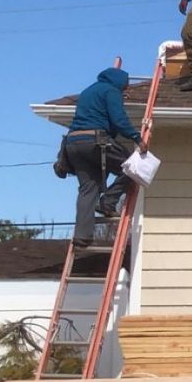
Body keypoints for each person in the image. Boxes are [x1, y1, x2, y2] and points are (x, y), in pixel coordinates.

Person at [62, 66, 141, 247]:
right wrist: (137, 137)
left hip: (73, 144)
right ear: (120, 81)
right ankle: (108, 202)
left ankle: (82, 236)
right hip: (95, 141)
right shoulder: (111, 91)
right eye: (125, 85)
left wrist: (117, 98)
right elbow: (118, 120)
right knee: (132, 166)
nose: (126, 88)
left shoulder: (90, 91)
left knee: (88, 189)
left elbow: (98, 110)